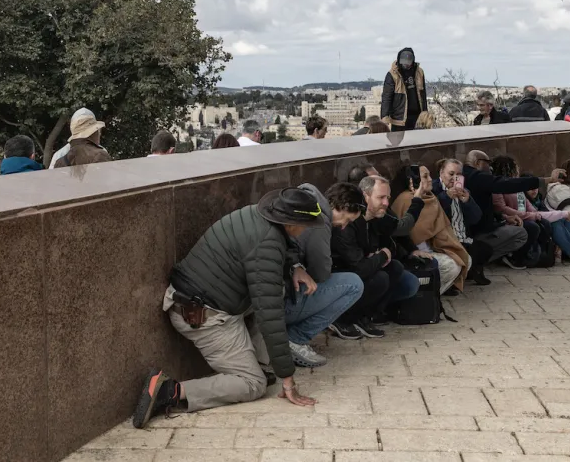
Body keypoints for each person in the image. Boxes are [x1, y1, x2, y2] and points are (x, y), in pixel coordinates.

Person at [133, 188, 325, 428]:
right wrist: (288, 379)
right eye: (306, 225)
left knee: (278, 291)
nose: (305, 230)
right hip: (204, 316)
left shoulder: (256, 216)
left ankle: (259, 363)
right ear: (290, 223)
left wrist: (293, 267)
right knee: (253, 384)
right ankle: (169, 390)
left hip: (201, 300)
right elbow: (270, 315)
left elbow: (271, 255)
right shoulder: (267, 242)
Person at [329, 175, 422, 338]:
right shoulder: (347, 222)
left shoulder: (378, 216)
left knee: (396, 268)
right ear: (365, 196)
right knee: (379, 278)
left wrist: (382, 254)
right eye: (381, 197)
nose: (386, 203)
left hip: (360, 267)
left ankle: (367, 315)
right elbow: (359, 267)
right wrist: (380, 256)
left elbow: (397, 236)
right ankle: (342, 319)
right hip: (341, 272)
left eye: (388, 197)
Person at [288, 183, 369, 364]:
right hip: (281, 301)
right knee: (353, 284)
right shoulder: (319, 221)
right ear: (343, 206)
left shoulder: (307, 202)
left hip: (269, 298)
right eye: (347, 220)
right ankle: (295, 338)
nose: (343, 227)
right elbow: (321, 272)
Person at [462, 150, 565, 271]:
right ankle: (476, 262)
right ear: (478, 162)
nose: (490, 167)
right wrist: (547, 179)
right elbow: (507, 185)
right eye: (487, 163)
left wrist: (505, 217)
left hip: (482, 226)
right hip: (478, 232)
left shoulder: (467, 176)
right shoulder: (477, 177)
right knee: (522, 233)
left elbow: (487, 208)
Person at [392, 165, 471, 295]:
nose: (430, 179)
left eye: (429, 175)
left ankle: (433, 296)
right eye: (425, 176)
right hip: (412, 253)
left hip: (433, 248)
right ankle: (426, 298)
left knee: (466, 259)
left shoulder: (430, 197)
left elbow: (441, 229)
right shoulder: (406, 200)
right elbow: (406, 233)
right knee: (451, 266)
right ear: (413, 180)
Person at [433, 158, 490, 285]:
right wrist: (446, 197)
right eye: (451, 174)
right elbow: (433, 214)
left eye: (458, 175)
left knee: (485, 249)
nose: (454, 178)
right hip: (445, 238)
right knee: (469, 252)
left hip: (463, 235)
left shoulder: (464, 190)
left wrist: (467, 202)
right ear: (442, 173)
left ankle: (472, 271)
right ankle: (454, 279)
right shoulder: (434, 189)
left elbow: (476, 218)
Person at [491, 156, 555, 267]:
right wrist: (529, 215)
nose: (517, 170)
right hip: (509, 219)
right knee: (532, 227)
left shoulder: (516, 186)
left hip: (524, 216)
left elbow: (527, 203)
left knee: (545, 223)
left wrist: (535, 213)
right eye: (515, 168)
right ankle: (515, 257)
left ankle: (536, 254)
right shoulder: (497, 187)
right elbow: (502, 208)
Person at [381, 47, 427, 131]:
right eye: (404, 63)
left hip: (417, 116)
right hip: (399, 118)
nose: (406, 65)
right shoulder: (392, 74)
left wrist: (425, 112)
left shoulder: (419, 72)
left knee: (418, 142)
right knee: (398, 143)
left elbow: (423, 94)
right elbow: (387, 96)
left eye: (408, 63)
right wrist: (384, 117)